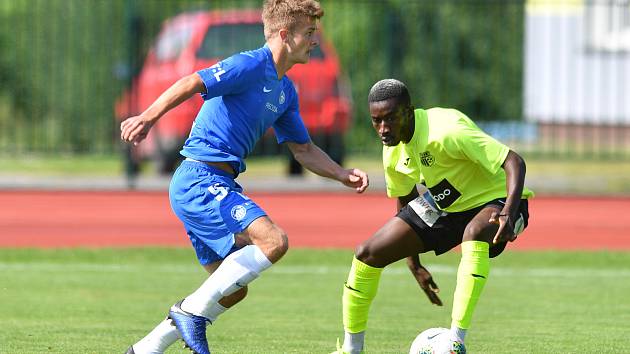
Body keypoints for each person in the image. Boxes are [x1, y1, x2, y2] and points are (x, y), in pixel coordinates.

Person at [120, 1, 369, 353]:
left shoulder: (285, 91)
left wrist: (342, 175)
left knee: (233, 290)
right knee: (273, 241)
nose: (315, 41)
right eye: (309, 33)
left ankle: (146, 348)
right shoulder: (250, 65)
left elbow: (303, 150)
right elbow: (193, 81)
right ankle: (189, 313)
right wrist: (146, 118)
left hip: (214, 184)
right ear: (285, 35)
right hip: (200, 179)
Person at [333, 79, 534, 354]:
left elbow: (514, 162)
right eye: (376, 121)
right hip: (447, 205)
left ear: (409, 111)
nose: (383, 129)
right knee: (367, 253)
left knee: (473, 233)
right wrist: (413, 263)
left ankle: (455, 340)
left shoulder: (447, 130)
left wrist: (509, 212)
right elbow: (405, 203)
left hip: (499, 201)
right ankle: (351, 350)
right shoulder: (392, 150)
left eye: (390, 119)